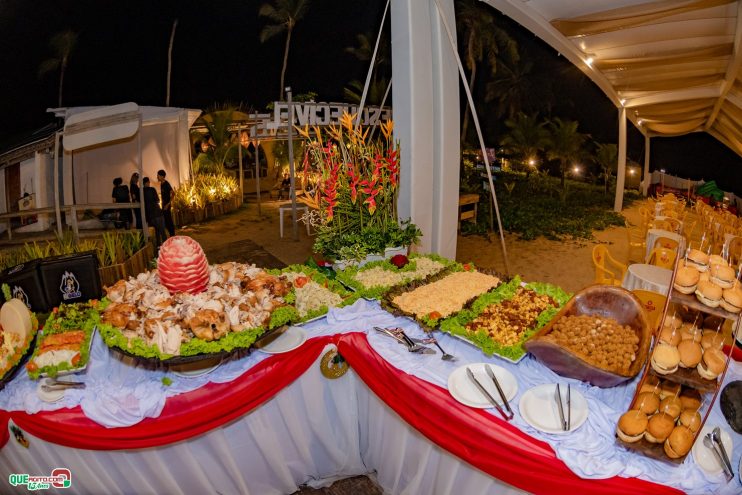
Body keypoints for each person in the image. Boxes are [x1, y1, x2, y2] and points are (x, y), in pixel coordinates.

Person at [143, 177, 167, 249]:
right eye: (148, 182)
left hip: (150, 215)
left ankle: (158, 246)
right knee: (162, 230)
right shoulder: (152, 189)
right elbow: (157, 200)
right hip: (157, 212)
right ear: (147, 183)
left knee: (156, 231)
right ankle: (166, 245)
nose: (149, 183)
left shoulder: (141, 191)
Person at [157, 169, 175, 237]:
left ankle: (172, 235)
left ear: (162, 176)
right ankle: (171, 235)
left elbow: (173, 194)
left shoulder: (166, 184)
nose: (157, 177)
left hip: (167, 206)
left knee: (169, 221)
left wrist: (168, 204)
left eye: (158, 175)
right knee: (166, 222)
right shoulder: (161, 184)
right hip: (164, 205)